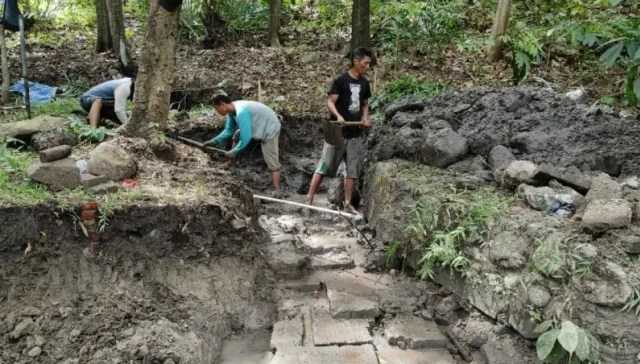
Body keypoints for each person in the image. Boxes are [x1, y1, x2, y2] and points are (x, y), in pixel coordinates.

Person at [305, 47, 373, 215]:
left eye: (369, 64)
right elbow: (330, 101)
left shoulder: (365, 83)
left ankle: (348, 203)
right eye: (366, 63)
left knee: (352, 171)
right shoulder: (340, 80)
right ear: (356, 61)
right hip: (337, 133)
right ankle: (309, 199)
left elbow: (365, 104)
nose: (368, 67)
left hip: (355, 133)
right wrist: (338, 116)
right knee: (324, 166)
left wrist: (365, 118)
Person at [204, 94, 283, 198]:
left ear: (222, 105)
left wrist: (235, 151)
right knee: (236, 134)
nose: (216, 111)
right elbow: (229, 130)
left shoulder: (241, 112)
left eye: (216, 108)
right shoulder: (232, 111)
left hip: (269, 127)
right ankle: (230, 164)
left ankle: (277, 191)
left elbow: (246, 136)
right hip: (257, 123)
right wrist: (214, 141)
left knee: (272, 159)